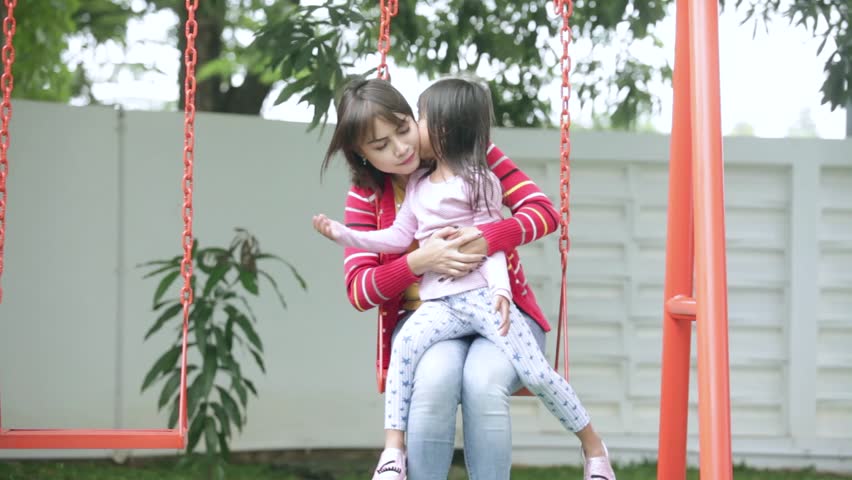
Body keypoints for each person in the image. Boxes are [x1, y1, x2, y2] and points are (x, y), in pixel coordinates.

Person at [318, 77, 612, 480]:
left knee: (483, 382)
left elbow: (543, 213)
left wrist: (487, 238)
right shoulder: (367, 195)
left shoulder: (468, 150)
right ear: (361, 154)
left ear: (419, 119)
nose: (401, 148)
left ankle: (592, 447)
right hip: (431, 315)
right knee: (435, 383)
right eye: (380, 146)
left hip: (497, 305)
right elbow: (359, 290)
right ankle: (395, 457)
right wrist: (419, 261)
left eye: (404, 129)